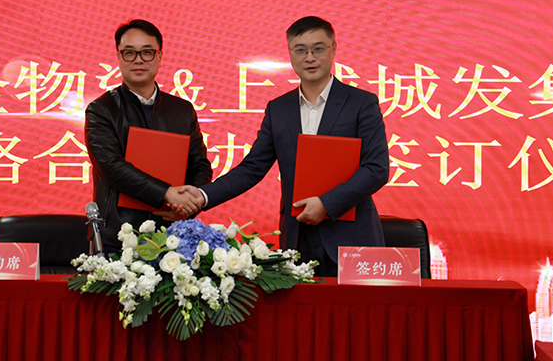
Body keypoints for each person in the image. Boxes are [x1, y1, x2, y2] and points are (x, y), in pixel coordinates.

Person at [180, 16, 389, 276]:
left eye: (318, 49)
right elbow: (252, 168)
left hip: (352, 237)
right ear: (290, 53)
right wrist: (202, 196)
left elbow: (377, 168)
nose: (309, 57)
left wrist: (326, 204)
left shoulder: (361, 103)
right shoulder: (279, 109)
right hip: (298, 237)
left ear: (333, 49)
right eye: (300, 50)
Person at [85, 19, 211, 253]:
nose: (138, 60)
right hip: (119, 236)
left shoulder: (182, 110)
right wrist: (166, 193)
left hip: (174, 233)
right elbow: (110, 167)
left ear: (159, 57)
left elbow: (200, 165)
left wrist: (189, 206)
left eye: (147, 52)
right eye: (129, 53)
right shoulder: (102, 109)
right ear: (119, 57)